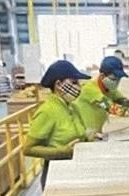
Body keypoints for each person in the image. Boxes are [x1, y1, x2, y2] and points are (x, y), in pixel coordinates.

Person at [23, 60, 91, 189]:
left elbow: (77, 134)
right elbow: (28, 149)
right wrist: (62, 151)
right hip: (56, 175)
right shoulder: (47, 111)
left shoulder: (71, 107)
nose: (79, 87)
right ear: (59, 84)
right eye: (74, 82)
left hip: (75, 170)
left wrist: (89, 137)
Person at [73, 56, 129, 137]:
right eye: (114, 79)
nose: (116, 82)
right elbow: (113, 109)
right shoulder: (90, 89)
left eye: (119, 79)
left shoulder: (109, 89)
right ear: (102, 76)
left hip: (94, 134)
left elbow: (126, 103)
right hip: (80, 135)